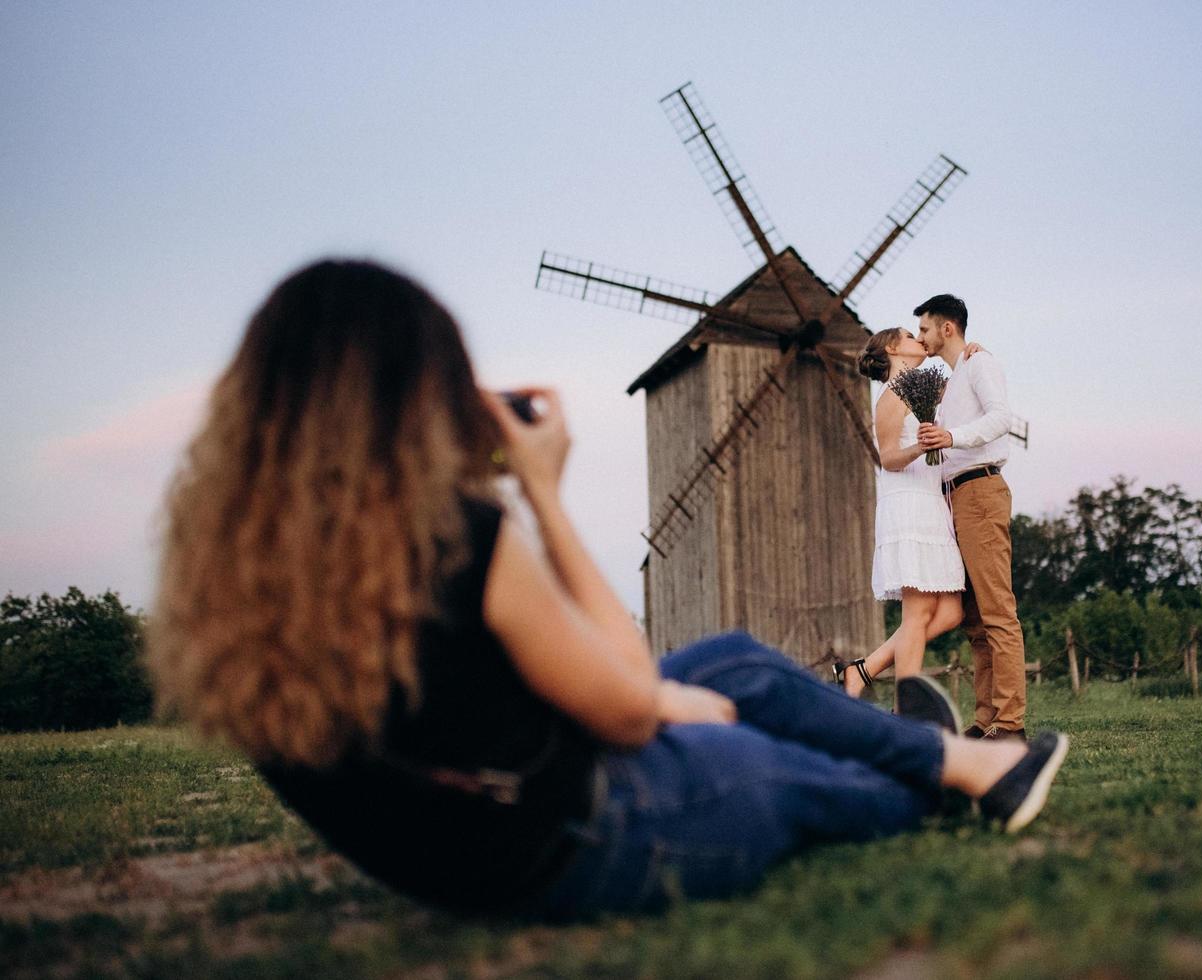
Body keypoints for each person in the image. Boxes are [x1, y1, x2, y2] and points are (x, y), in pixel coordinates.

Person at [148, 260, 1068, 920]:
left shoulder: (237, 591)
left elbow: (479, 716)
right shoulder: (453, 545)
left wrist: (676, 698)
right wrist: (541, 496)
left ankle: (930, 751)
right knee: (782, 780)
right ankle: (954, 773)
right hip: (584, 838)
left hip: (473, 851)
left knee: (734, 664)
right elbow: (625, 709)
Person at [914, 294, 1029, 741]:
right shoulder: (952, 379)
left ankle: (1011, 722)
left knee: (998, 611)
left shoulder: (979, 364)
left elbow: (1002, 418)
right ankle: (986, 720)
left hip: (980, 490)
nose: (920, 336)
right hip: (955, 498)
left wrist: (951, 435)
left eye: (925, 328)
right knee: (975, 619)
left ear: (947, 328)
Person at [840, 327, 966, 727]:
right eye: (912, 335)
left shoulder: (923, 387)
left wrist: (970, 357)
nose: (919, 340)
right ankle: (906, 711)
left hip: (930, 502)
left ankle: (862, 670)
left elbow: (962, 388)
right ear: (894, 349)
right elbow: (889, 458)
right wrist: (922, 447)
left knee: (950, 613)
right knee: (917, 615)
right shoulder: (892, 394)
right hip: (908, 504)